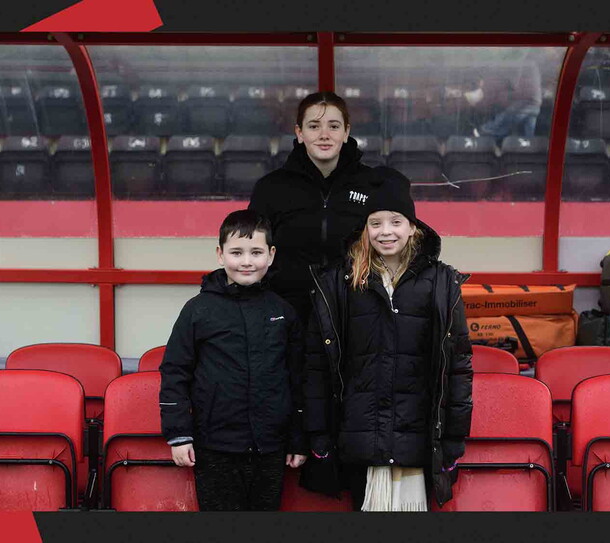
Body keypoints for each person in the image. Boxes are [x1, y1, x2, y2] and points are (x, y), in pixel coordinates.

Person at [302, 167, 474, 511]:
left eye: (396, 221)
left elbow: (458, 366)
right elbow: (317, 365)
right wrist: (319, 434)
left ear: (413, 228)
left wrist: (454, 438)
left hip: (419, 434)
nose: (385, 232)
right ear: (364, 230)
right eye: (375, 223)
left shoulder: (441, 282)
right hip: (359, 432)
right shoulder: (341, 281)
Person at [159, 209, 308, 511]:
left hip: (270, 446)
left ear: (271, 254)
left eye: (256, 252)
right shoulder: (197, 310)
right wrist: (178, 435)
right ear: (220, 254)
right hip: (215, 446)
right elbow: (175, 372)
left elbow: (297, 379)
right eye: (236, 252)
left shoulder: (283, 312)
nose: (247, 261)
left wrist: (298, 439)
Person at [249, 91, 383, 325]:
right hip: (287, 318)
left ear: (346, 132)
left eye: (333, 126)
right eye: (313, 126)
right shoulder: (270, 188)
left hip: (356, 318)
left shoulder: (373, 185)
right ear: (299, 133)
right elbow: (251, 250)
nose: (324, 135)